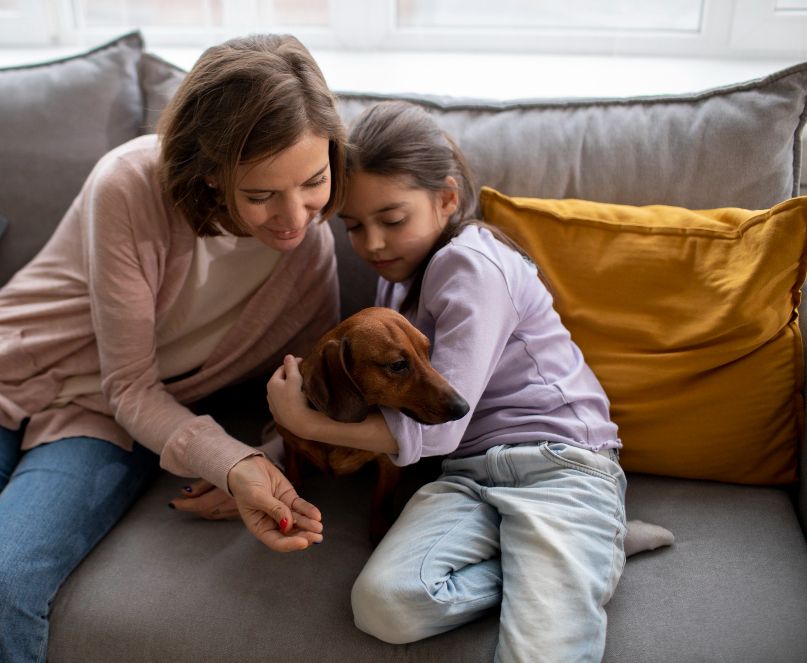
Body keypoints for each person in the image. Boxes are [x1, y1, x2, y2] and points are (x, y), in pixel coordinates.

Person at [0, 34, 346, 663]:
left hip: (110, 423)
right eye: (259, 195)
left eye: (314, 182)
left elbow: (302, 391)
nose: (294, 217)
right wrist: (230, 459)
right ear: (209, 174)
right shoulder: (132, 183)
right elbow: (130, 383)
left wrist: (261, 463)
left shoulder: (310, 256)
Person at [267, 100, 628, 662]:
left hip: (558, 464)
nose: (372, 246)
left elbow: (438, 429)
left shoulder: (471, 265)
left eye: (392, 219)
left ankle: (576, 558)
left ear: (447, 199)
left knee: (542, 648)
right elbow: (372, 405)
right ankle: (565, 563)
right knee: (384, 604)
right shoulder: (395, 286)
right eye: (355, 227)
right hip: (466, 478)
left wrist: (299, 420)